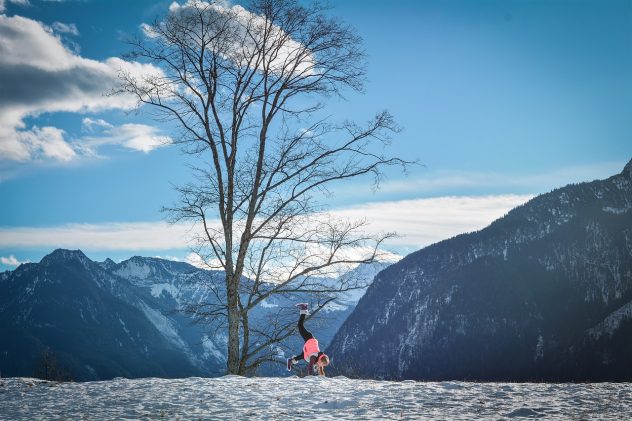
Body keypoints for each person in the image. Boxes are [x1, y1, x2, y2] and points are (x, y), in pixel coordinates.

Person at [287, 303, 330, 376]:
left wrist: (322, 376)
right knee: (300, 325)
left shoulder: (319, 359)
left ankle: (291, 360)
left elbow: (320, 368)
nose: (322, 366)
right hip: (309, 338)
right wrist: (310, 376)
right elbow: (310, 366)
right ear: (320, 360)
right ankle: (304, 308)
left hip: (308, 347)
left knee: (302, 356)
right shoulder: (314, 357)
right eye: (323, 364)